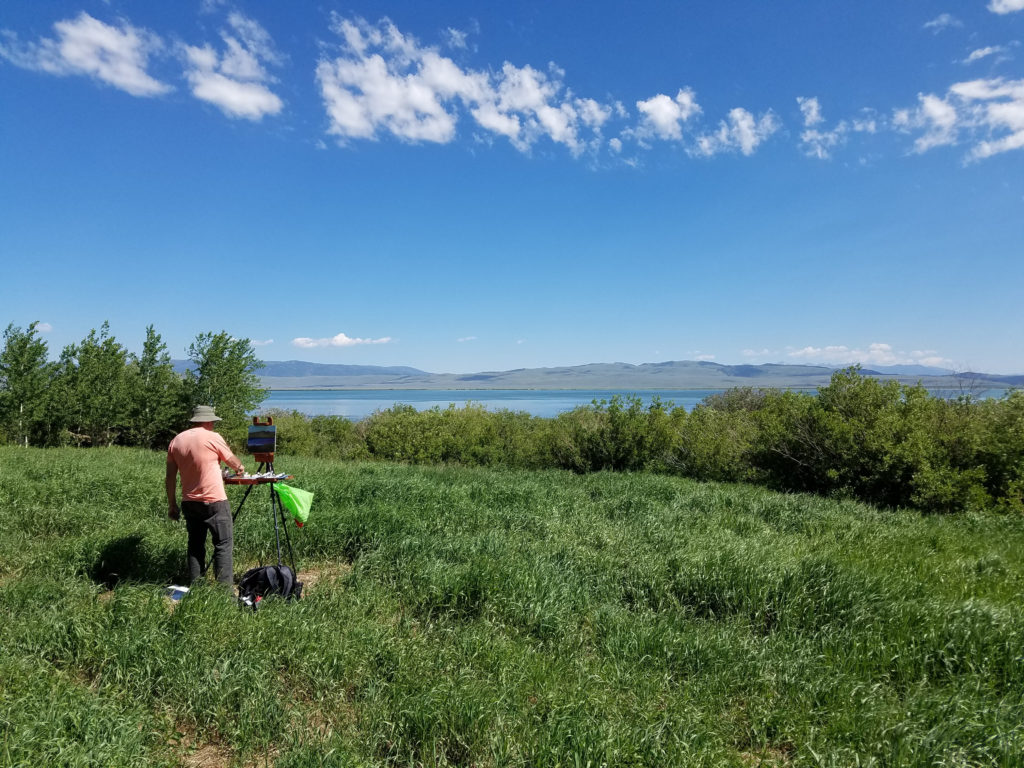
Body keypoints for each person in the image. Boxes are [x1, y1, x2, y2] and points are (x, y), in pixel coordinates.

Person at [166, 405, 245, 585]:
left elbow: (170, 477)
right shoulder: (213, 437)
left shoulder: (176, 440)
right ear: (209, 421)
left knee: (195, 546)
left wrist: (172, 504)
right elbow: (233, 462)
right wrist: (240, 468)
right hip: (214, 501)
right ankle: (225, 596)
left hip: (189, 502)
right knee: (223, 546)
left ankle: (197, 588)